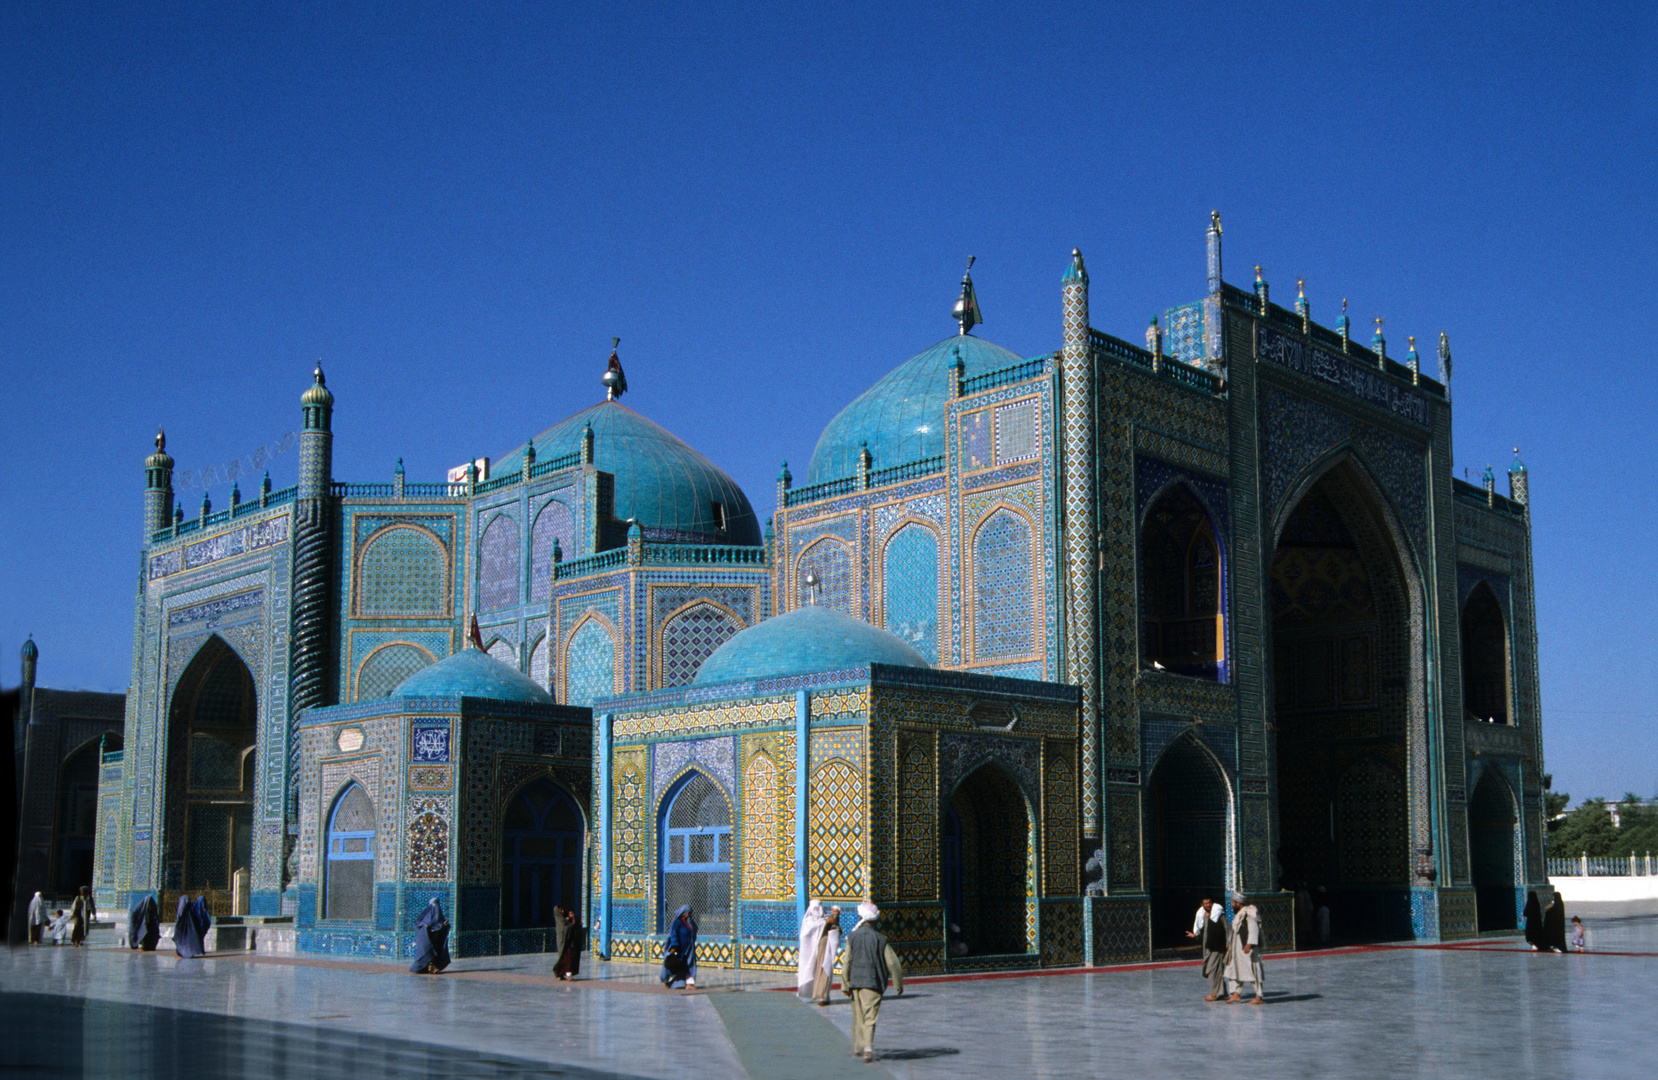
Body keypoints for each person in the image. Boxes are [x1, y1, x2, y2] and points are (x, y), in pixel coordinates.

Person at [838, 902, 903, 1064]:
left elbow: (847, 962)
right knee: (870, 1017)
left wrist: (845, 984)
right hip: (872, 983)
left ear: (861, 917)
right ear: (874, 920)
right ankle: (867, 1050)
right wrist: (898, 984)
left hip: (856, 982)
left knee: (858, 1016)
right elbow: (893, 963)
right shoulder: (880, 939)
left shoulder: (852, 937)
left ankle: (858, 1048)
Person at [797, 900, 841, 1003]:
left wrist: (835, 917)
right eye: (814, 908)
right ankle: (811, 994)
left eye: (818, 908)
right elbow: (806, 934)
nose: (816, 910)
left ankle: (822, 996)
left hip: (825, 948)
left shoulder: (827, 918)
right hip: (811, 953)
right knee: (811, 971)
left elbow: (835, 928)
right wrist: (824, 923)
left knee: (825, 969)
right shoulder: (807, 921)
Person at [1186, 896, 1230, 1001]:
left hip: (1218, 947)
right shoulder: (1203, 916)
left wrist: (1229, 944)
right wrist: (1195, 935)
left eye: (1209, 903)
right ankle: (1222, 992)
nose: (1208, 905)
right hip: (1209, 947)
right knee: (1216, 970)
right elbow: (1203, 931)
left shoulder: (1219, 915)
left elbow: (1228, 929)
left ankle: (1214, 994)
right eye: (1205, 903)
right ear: (1202, 905)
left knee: (1213, 970)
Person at [1225, 892, 1265, 1005]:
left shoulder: (1249, 912)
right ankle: (1235, 994)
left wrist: (1249, 944)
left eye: (1233, 902)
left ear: (1238, 903)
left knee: (1252, 970)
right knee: (1234, 969)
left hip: (1247, 947)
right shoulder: (1240, 913)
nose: (1232, 904)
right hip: (1237, 948)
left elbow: (1253, 929)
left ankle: (1259, 996)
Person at [410, 897, 451, 973]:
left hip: (436, 938)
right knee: (428, 952)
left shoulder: (439, 915)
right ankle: (427, 967)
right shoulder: (425, 914)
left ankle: (431, 967)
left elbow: (439, 925)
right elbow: (418, 923)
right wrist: (425, 926)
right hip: (427, 938)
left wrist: (445, 926)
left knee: (435, 952)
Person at [661, 905, 698, 989]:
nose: (690, 914)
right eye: (689, 912)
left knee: (689, 965)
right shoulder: (677, 923)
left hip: (688, 948)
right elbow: (673, 934)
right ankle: (667, 980)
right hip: (679, 948)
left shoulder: (689, 922)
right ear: (684, 913)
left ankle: (689, 984)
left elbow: (693, 930)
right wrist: (674, 946)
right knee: (675, 966)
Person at [174, 895, 211, 959]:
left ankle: (185, 952)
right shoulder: (192, 910)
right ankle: (185, 952)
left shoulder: (191, 911)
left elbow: (179, 915)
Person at [553, 906, 584, 980]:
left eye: (563, 909)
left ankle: (560, 973)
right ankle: (568, 975)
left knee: (567, 959)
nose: (562, 911)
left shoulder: (568, 919)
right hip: (564, 943)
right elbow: (564, 929)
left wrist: (574, 923)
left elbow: (577, 927)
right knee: (567, 959)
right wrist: (571, 925)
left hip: (570, 943)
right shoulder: (560, 920)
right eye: (561, 910)